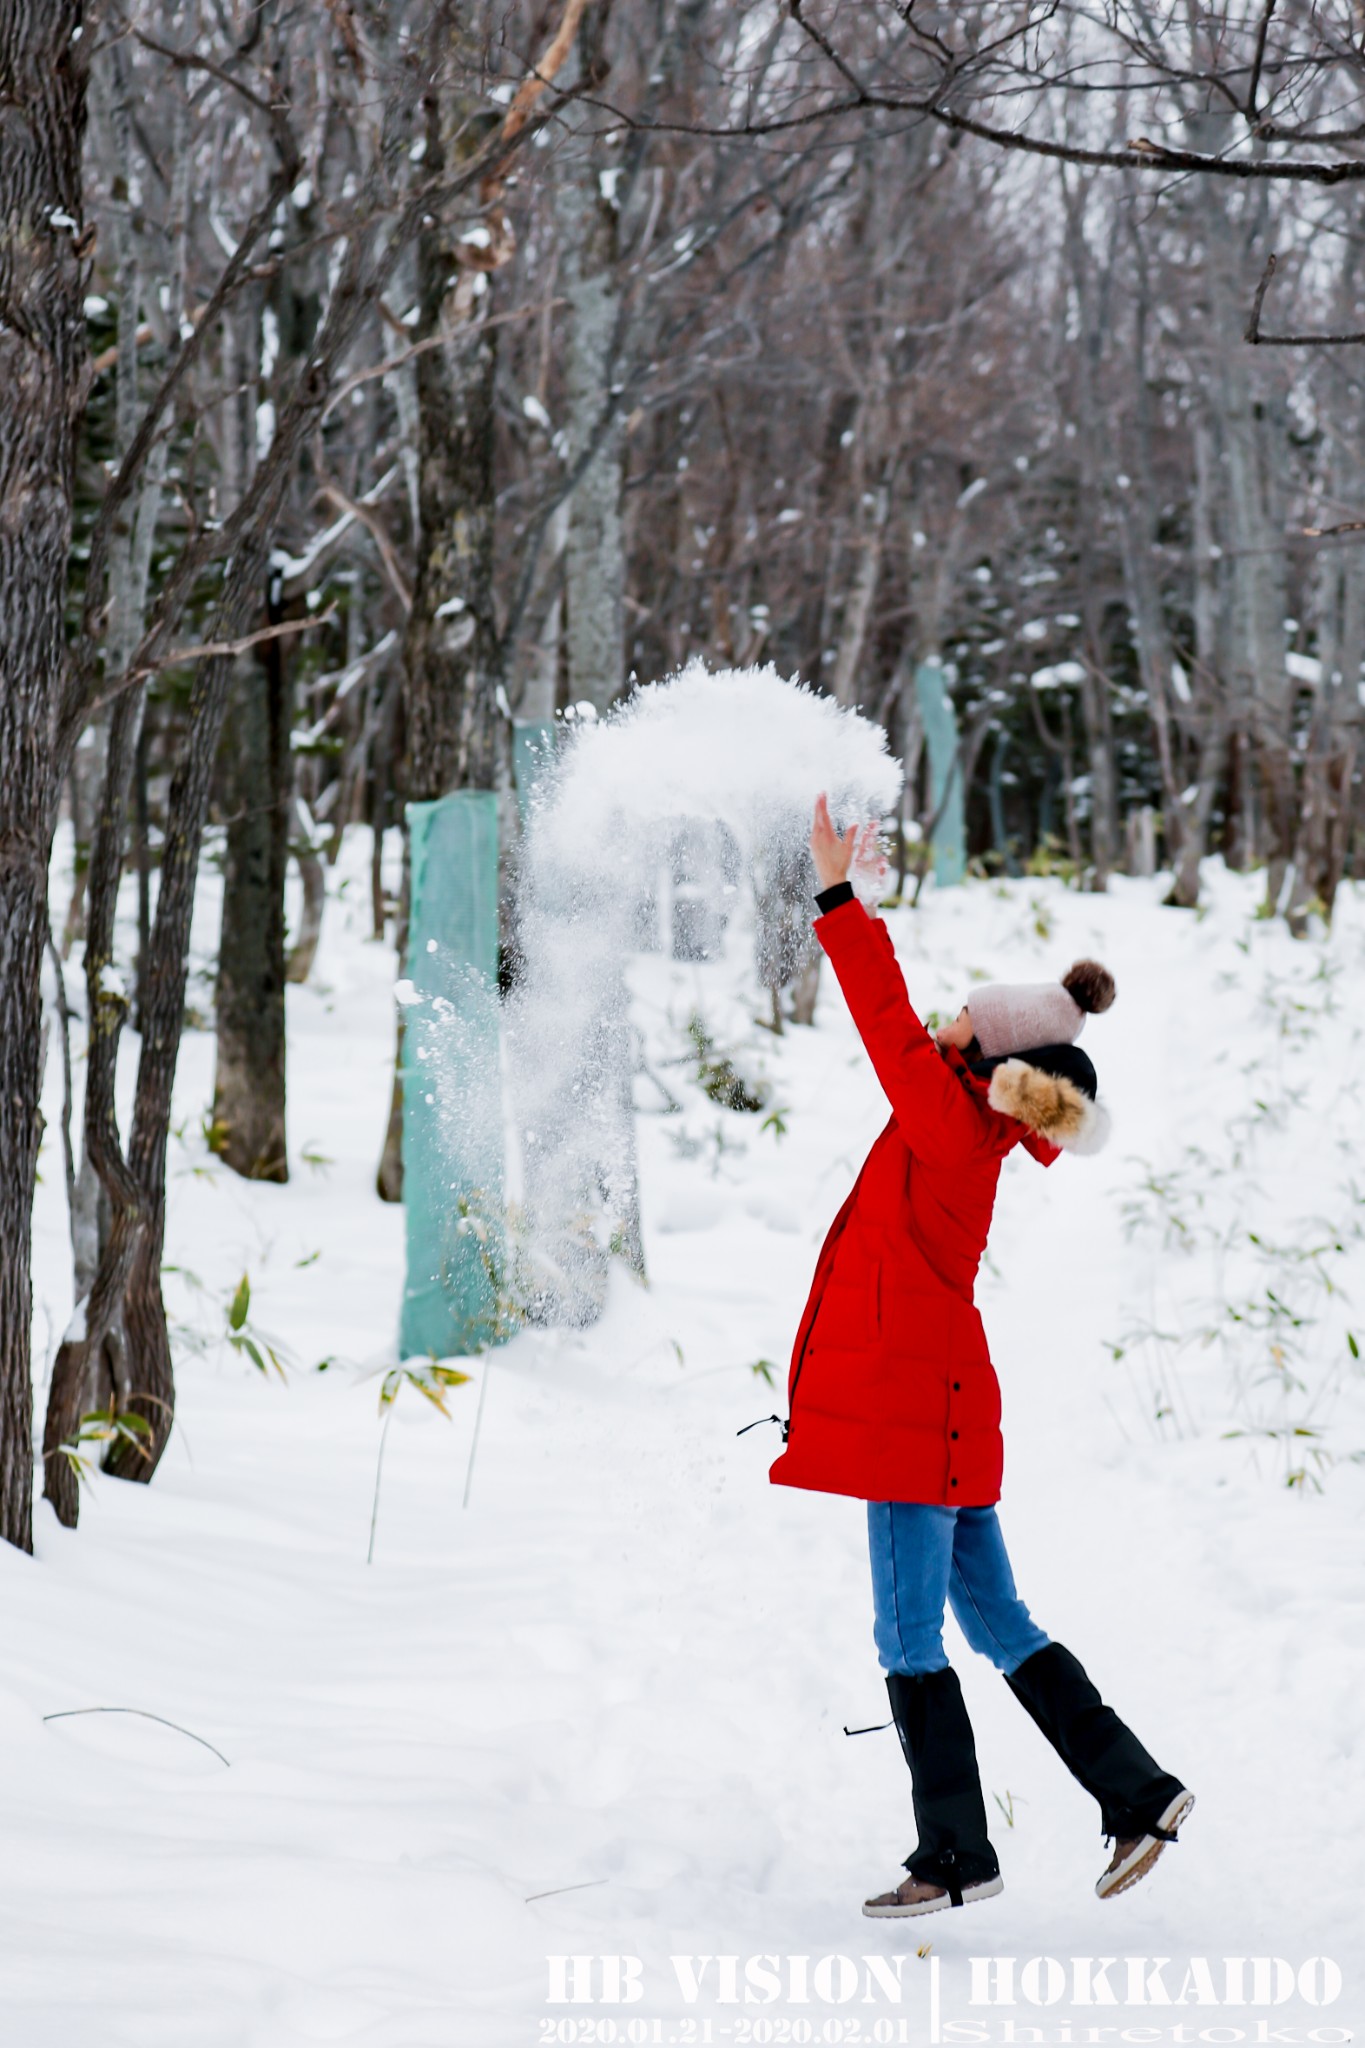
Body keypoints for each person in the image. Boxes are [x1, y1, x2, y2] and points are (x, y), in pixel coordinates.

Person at [767, 795, 1193, 1921]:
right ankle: (1138, 1790)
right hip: (945, 1400)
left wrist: (837, 892)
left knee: (906, 1633)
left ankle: (955, 1850)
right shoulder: (965, 1124)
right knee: (995, 1617)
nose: (945, 1018)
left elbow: (880, 1012)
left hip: (921, 1405)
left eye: (962, 1013)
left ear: (977, 1047)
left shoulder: (947, 1119)